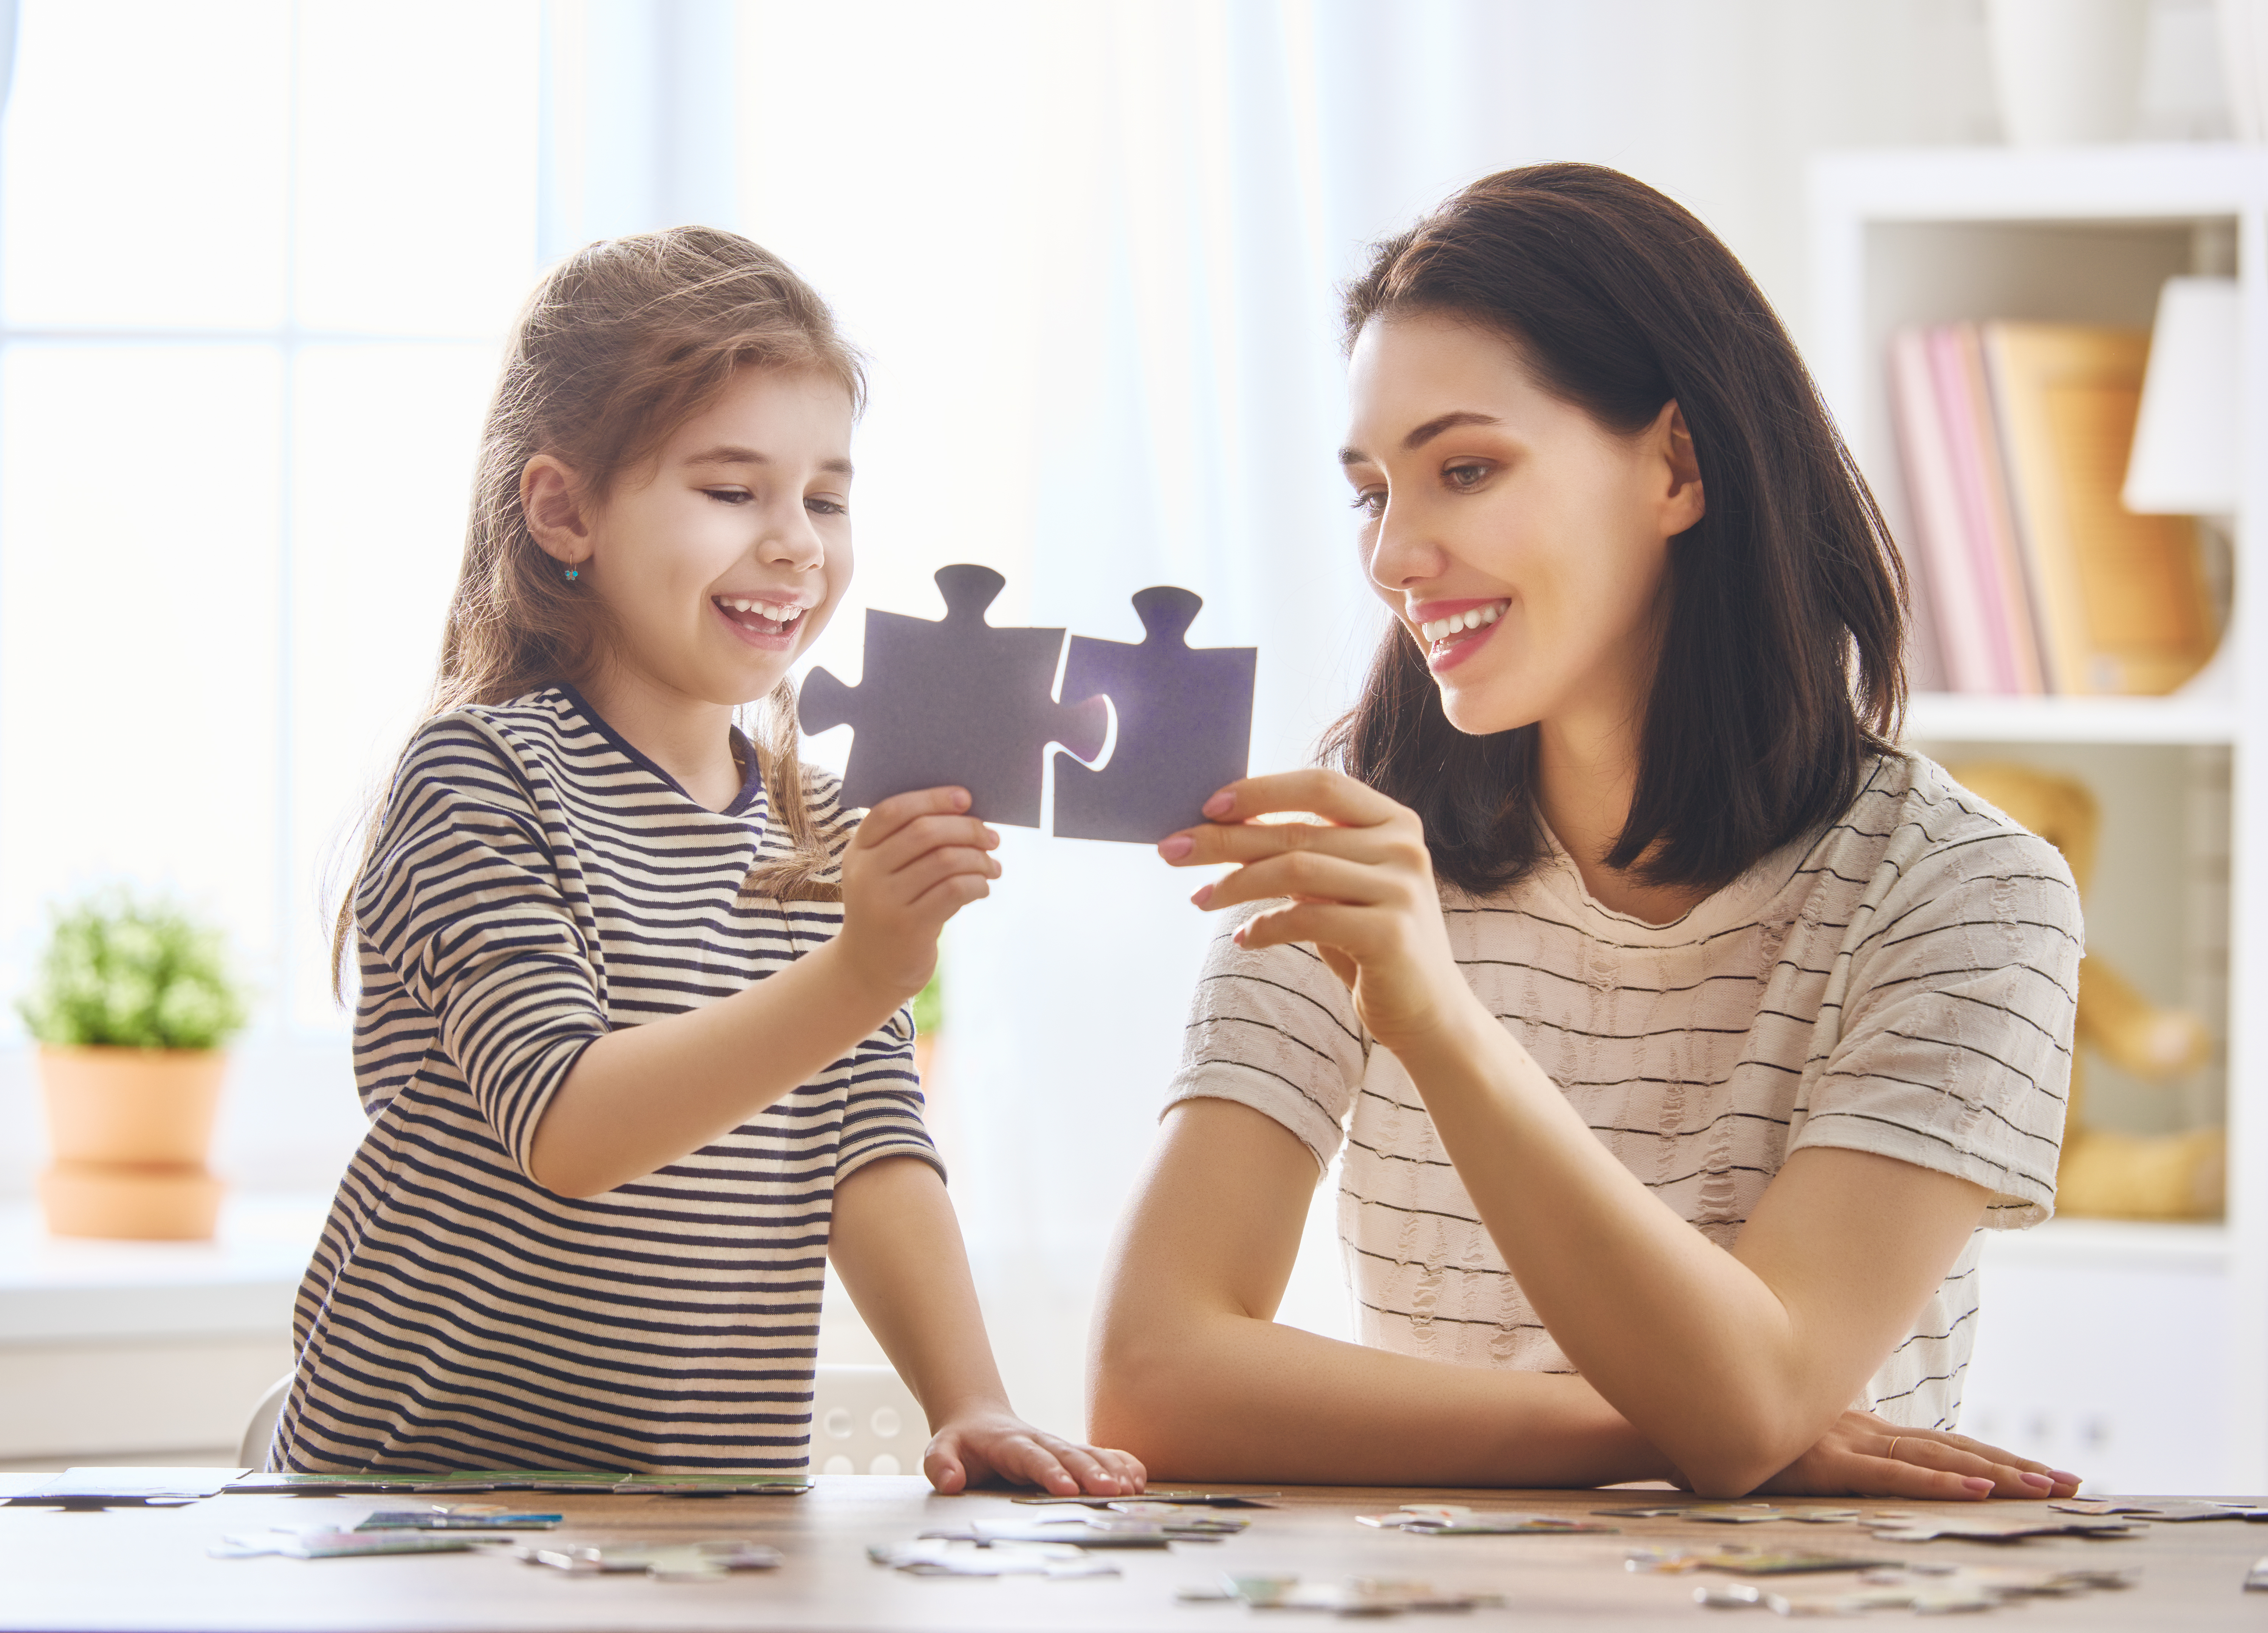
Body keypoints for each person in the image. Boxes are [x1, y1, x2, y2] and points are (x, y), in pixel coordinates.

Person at [1092, 164, 2082, 1500]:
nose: (1392, 556)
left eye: (1466, 469)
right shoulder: (1361, 862)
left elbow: (1764, 1389)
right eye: (1373, 492)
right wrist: (1663, 1424)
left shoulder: (1966, 895)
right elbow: (1152, 1380)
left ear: (1677, 465)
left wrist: (1434, 1017)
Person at [279, 227, 1142, 1497]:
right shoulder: (482, 778)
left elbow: (870, 1147)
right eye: (734, 492)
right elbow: (568, 1126)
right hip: (418, 1508)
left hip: (702, 1514)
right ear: (567, 509)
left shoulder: (822, 826)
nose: (797, 543)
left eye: (827, 499)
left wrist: (972, 1399)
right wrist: (863, 971)